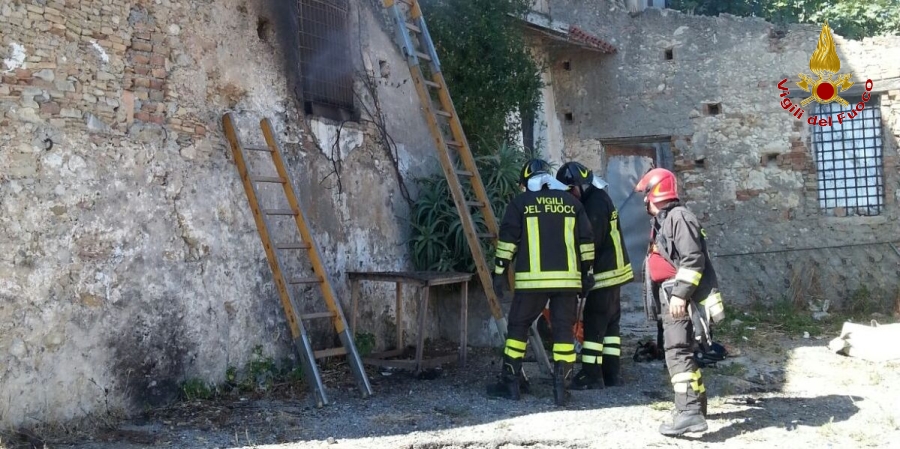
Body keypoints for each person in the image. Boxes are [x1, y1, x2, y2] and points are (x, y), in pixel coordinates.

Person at [488, 158, 596, 406]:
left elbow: (507, 242)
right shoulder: (572, 203)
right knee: (563, 330)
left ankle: (510, 383)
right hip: (567, 282)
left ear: (527, 182)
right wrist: (587, 273)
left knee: (518, 327)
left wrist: (499, 273)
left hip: (532, 282)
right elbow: (586, 242)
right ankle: (561, 390)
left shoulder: (521, 203)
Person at [635, 168, 726, 436]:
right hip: (672, 296)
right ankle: (695, 406)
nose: (644, 200)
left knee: (677, 352)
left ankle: (688, 413)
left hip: (679, 298)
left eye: (646, 194)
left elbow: (693, 259)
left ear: (656, 192)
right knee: (682, 351)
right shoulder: (666, 220)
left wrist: (680, 294)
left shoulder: (679, 218)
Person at [555, 161, 633, 390]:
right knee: (610, 326)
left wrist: (581, 271)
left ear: (578, 185)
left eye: (569, 191)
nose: (569, 197)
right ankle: (611, 373)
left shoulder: (594, 204)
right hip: (613, 271)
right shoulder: (599, 197)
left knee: (594, 321)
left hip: (604, 272)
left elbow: (591, 241)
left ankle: (591, 374)